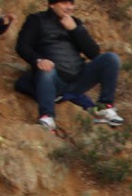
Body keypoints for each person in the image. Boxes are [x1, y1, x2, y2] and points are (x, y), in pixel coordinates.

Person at [15, 0, 123, 131]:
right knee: (47, 69)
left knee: (111, 58)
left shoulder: (75, 23)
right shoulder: (36, 20)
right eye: (64, 3)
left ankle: (104, 107)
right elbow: (22, 46)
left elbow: (93, 53)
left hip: (79, 78)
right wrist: (38, 60)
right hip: (54, 79)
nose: (69, 7)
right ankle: (47, 117)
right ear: (52, 4)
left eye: (71, 4)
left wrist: (75, 30)